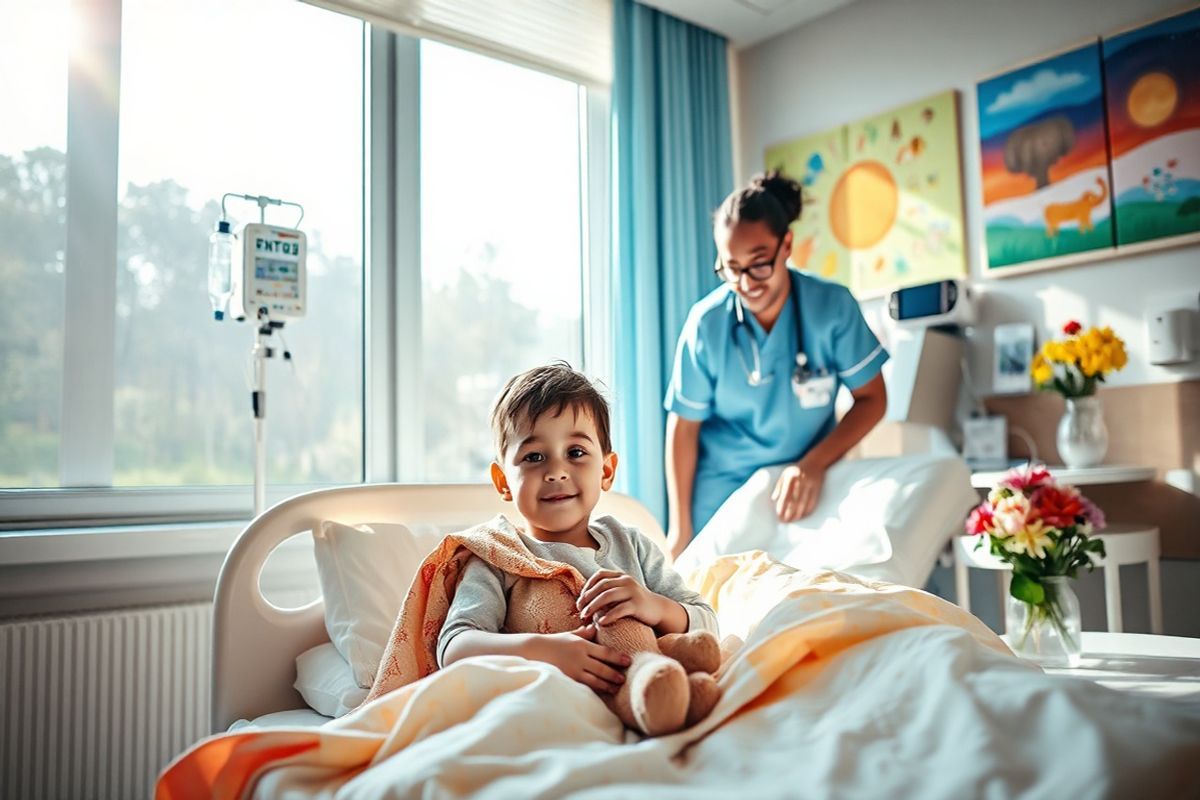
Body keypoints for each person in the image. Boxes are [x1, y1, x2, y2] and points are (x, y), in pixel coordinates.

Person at [439, 362, 718, 695]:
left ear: (606, 470)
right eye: (534, 457)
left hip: (647, 687)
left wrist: (653, 605)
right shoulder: (497, 555)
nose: (556, 471)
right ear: (503, 482)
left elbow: (707, 627)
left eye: (576, 452)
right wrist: (542, 651)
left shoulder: (632, 546)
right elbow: (454, 647)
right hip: (548, 703)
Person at [664, 170, 889, 559]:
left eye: (759, 264)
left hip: (803, 485)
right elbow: (684, 429)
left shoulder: (831, 308)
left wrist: (813, 465)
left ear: (786, 245)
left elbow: (872, 398)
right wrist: (680, 529)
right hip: (723, 490)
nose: (746, 282)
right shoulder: (707, 324)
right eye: (731, 268)